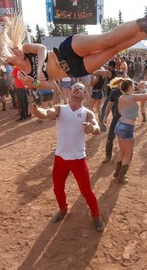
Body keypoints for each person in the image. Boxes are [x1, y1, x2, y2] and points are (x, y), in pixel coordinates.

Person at [0, 6, 147, 90]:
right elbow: (52, 87)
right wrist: (36, 81)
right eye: (12, 51)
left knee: (108, 39)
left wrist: (39, 68)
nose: (17, 49)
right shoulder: (22, 74)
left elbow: (41, 49)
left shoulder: (27, 48)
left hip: (67, 50)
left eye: (14, 47)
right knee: (115, 49)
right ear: (6, 58)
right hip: (74, 70)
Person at [30, 82, 104, 231]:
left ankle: (96, 216)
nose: (77, 89)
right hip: (60, 158)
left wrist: (91, 128)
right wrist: (36, 111)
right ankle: (63, 209)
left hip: (78, 158)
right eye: (75, 87)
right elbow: (46, 113)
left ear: (84, 94)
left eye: (81, 88)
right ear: (70, 92)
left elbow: (97, 128)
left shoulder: (87, 113)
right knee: (58, 188)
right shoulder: (60, 109)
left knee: (86, 191)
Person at [110, 78, 147, 183]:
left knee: (122, 151)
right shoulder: (132, 97)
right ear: (129, 87)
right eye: (132, 86)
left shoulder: (121, 97)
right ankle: (121, 177)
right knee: (128, 154)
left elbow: (119, 110)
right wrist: (145, 87)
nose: (134, 87)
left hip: (119, 124)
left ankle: (117, 172)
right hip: (127, 127)